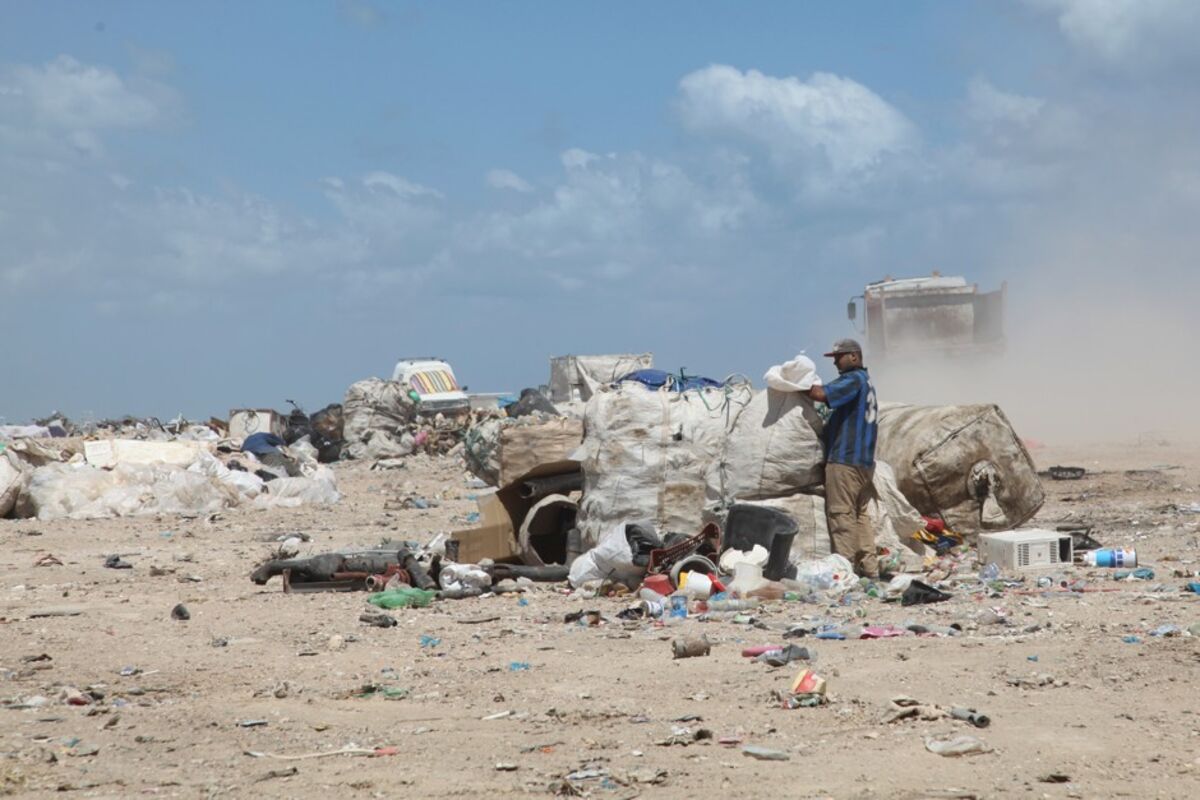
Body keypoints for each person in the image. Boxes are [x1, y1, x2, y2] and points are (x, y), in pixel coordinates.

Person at [805, 338, 881, 579]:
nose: (836, 362)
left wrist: (795, 383)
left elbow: (820, 394)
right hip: (864, 462)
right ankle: (870, 571)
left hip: (845, 460)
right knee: (860, 516)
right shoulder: (867, 382)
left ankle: (844, 571)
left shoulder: (853, 380)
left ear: (854, 357)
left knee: (841, 515)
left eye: (839, 357)